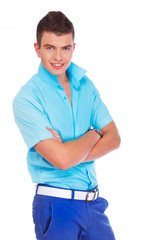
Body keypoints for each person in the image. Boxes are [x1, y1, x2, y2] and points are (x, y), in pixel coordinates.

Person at [13, 11, 121, 240]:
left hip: (94, 205)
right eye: (50, 47)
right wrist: (94, 133)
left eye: (65, 48)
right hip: (56, 205)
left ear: (74, 47)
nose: (58, 56)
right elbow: (62, 160)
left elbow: (114, 138)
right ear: (37, 48)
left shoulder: (85, 85)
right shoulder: (27, 98)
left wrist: (72, 150)